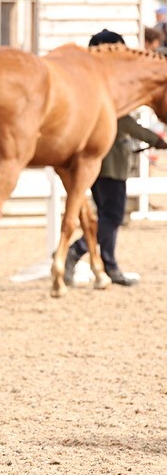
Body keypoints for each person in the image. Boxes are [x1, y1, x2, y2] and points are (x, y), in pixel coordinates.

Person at [63, 29, 167, 287]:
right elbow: (125, 123)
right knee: (112, 216)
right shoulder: (107, 92)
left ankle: (109, 265)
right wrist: (155, 139)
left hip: (103, 163)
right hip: (110, 164)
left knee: (106, 215)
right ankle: (75, 250)